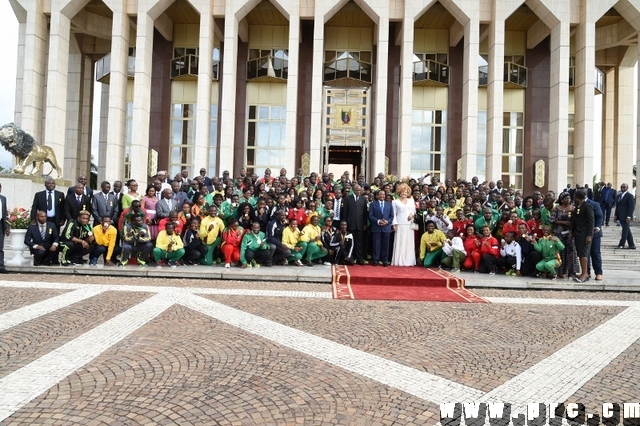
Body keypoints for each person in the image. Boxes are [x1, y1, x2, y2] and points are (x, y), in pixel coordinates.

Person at [550, 192, 578, 278]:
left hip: (570, 232)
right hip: (559, 232)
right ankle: (560, 271)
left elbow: (575, 220)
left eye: (569, 198)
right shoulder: (557, 208)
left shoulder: (573, 208)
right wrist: (564, 222)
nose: (568, 200)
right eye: (566, 198)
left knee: (571, 251)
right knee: (560, 251)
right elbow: (552, 220)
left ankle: (571, 271)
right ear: (562, 200)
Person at [341, 184, 368, 265]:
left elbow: (365, 213)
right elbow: (344, 212)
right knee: (350, 242)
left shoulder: (363, 199)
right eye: (357, 190)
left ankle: (359, 258)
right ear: (353, 190)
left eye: (360, 190)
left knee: (359, 242)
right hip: (350, 224)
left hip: (360, 224)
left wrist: (364, 224)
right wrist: (344, 224)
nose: (359, 192)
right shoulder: (347, 199)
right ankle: (350, 258)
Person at [391, 183, 417, 266]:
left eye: (406, 192)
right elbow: (394, 214)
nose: (404, 194)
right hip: (400, 224)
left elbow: (414, 211)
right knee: (400, 242)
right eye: (402, 192)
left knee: (408, 243)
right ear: (399, 192)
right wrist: (394, 224)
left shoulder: (411, 201)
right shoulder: (395, 202)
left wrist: (411, 215)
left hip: (409, 224)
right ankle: (399, 260)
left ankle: (408, 261)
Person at [572, 189, 594, 283]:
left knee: (584, 253)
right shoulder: (577, 207)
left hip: (584, 233)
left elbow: (591, 221)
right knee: (580, 253)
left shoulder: (587, 206)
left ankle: (585, 273)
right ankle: (582, 272)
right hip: (578, 233)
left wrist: (589, 235)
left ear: (577, 198)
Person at [368, 189, 394, 267]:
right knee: (376, 244)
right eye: (380, 194)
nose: (382, 196)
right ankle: (376, 260)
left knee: (385, 245)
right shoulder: (373, 204)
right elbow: (370, 216)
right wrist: (378, 221)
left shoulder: (389, 204)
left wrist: (387, 222)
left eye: (383, 195)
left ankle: (384, 260)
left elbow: (392, 216)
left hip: (386, 228)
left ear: (385, 196)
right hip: (376, 227)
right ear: (377, 196)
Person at [585, 196, 604, 281]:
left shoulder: (595, 204)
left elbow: (599, 216)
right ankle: (587, 272)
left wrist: (598, 227)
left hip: (595, 233)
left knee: (595, 253)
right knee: (585, 254)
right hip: (583, 233)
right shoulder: (576, 204)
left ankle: (598, 273)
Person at [614, 183, 635, 249]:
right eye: (622, 187)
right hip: (620, 215)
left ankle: (621, 244)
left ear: (627, 188)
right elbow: (617, 207)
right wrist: (616, 215)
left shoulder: (630, 196)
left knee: (625, 231)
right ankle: (632, 245)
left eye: (624, 187)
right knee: (627, 230)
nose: (622, 188)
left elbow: (631, 207)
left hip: (626, 216)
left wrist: (629, 216)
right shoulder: (618, 196)